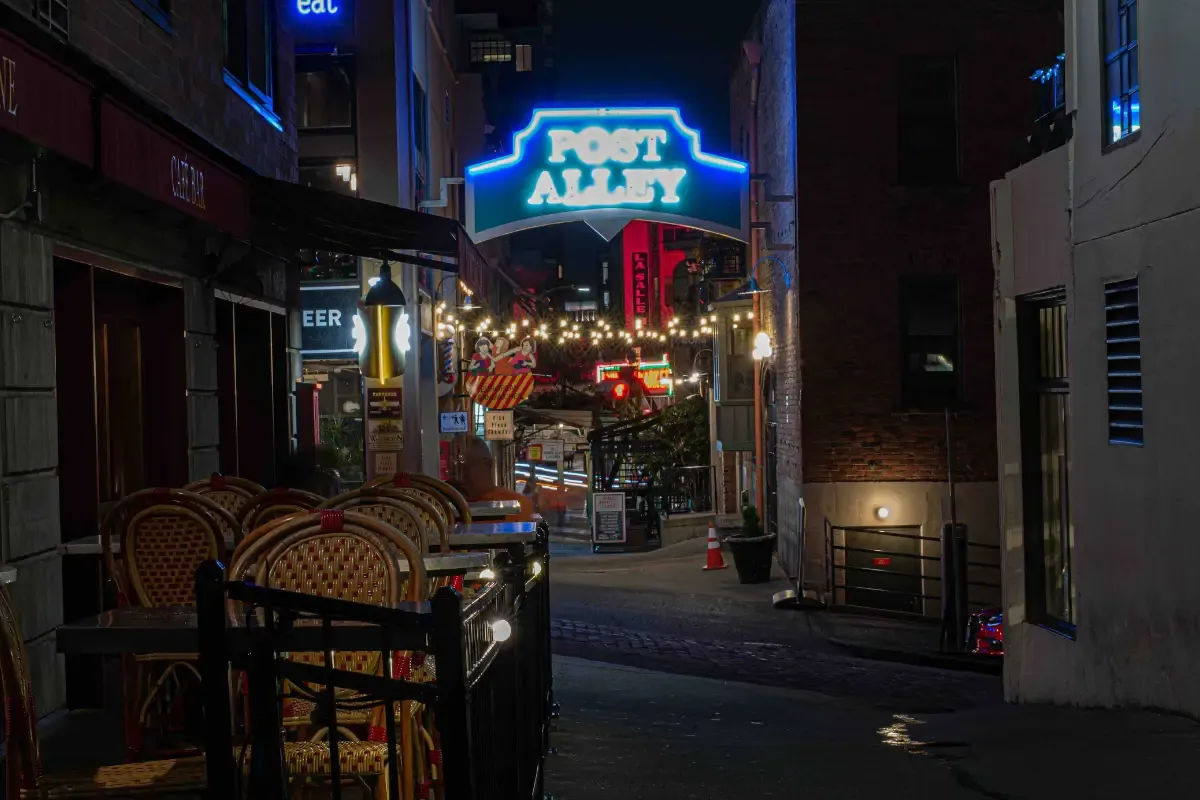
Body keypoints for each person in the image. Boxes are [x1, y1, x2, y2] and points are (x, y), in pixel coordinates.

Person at [460, 438, 535, 521]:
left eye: (466, 467)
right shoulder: (449, 507)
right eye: (453, 469)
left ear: (487, 464)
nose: (460, 475)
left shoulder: (518, 506)